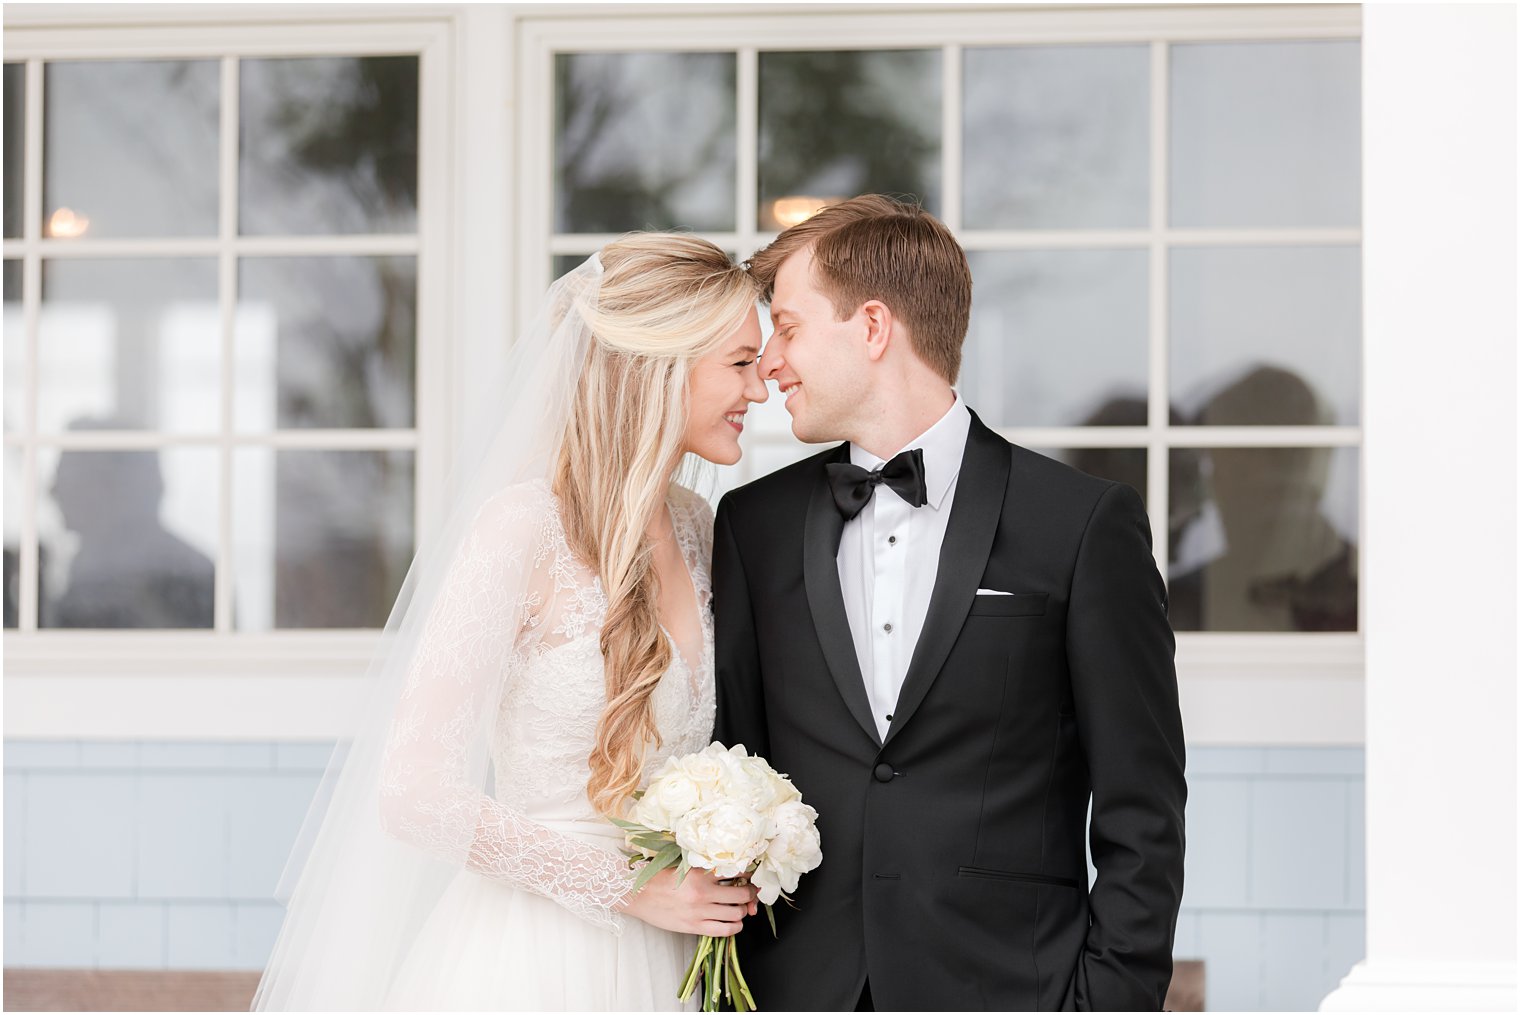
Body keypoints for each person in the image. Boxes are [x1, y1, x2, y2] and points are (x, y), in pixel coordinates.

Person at [254, 235, 767, 1011]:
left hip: (670, 960)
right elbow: (414, 791)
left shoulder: (697, 525)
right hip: (537, 956)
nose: (759, 390)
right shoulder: (523, 528)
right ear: (658, 365)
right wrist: (629, 888)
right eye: (739, 363)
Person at [713, 196, 1187, 1011]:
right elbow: (737, 759)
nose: (771, 363)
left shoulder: (1079, 524)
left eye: (787, 327)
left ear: (871, 326)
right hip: (799, 990)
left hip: (1013, 989)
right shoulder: (752, 527)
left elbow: (1143, 808)